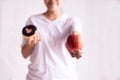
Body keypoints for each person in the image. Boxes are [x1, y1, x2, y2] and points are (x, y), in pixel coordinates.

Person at [21, 0, 83, 80]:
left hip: (65, 77)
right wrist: (31, 43)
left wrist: (74, 48)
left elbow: (76, 35)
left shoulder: (72, 21)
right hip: (36, 77)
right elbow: (24, 54)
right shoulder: (32, 20)